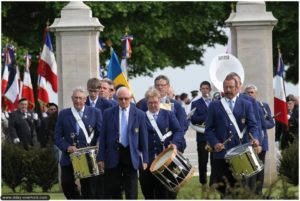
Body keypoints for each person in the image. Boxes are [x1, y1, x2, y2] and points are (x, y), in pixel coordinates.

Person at [204, 74, 259, 197]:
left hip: (241, 155)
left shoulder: (246, 104)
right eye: (225, 87)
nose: (228, 90)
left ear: (237, 88)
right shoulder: (214, 105)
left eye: (231, 87)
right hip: (221, 155)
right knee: (224, 192)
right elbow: (208, 130)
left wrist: (255, 138)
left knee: (241, 191)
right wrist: (215, 143)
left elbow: (253, 126)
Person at [97, 86, 148, 199]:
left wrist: (145, 159)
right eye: (120, 99)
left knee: (131, 189)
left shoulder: (139, 114)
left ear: (130, 98)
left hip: (131, 155)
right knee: (114, 188)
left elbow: (143, 138)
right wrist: (100, 157)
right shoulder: (108, 113)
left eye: (126, 98)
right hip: (113, 154)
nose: (123, 101)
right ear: (116, 98)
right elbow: (103, 136)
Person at [55, 87, 102, 199]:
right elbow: (57, 136)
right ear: (72, 99)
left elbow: (101, 133)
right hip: (69, 156)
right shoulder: (64, 114)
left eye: (80, 98)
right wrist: (67, 147)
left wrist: (98, 146)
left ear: (85, 99)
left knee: (88, 189)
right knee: (66, 184)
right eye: (75, 98)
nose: (78, 101)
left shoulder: (95, 112)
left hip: (88, 156)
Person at [139, 87, 185, 199]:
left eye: (155, 102)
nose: (153, 105)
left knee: (165, 192)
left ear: (159, 101)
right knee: (148, 191)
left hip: (165, 159)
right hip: (147, 160)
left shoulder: (168, 114)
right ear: (146, 102)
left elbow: (178, 131)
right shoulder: (141, 116)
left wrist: (174, 143)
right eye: (150, 103)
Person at [244, 84, 275, 194]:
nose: (250, 94)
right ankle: (250, 192)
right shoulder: (243, 105)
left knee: (260, 168)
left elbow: (271, 123)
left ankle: (259, 192)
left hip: (262, 141)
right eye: (248, 92)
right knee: (250, 169)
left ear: (256, 94)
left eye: (252, 92)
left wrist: (261, 123)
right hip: (248, 141)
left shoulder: (263, 106)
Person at [190, 81, 213, 186]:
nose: (204, 90)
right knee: (203, 161)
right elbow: (193, 119)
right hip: (202, 136)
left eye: (206, 88)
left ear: (210, 89)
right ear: (200, 90)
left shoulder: (215, 102)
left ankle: (214, 182)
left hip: (214, 136)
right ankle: (203, 182)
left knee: (215, 161)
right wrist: (207, 117)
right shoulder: (195, 103)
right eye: (202, 88)